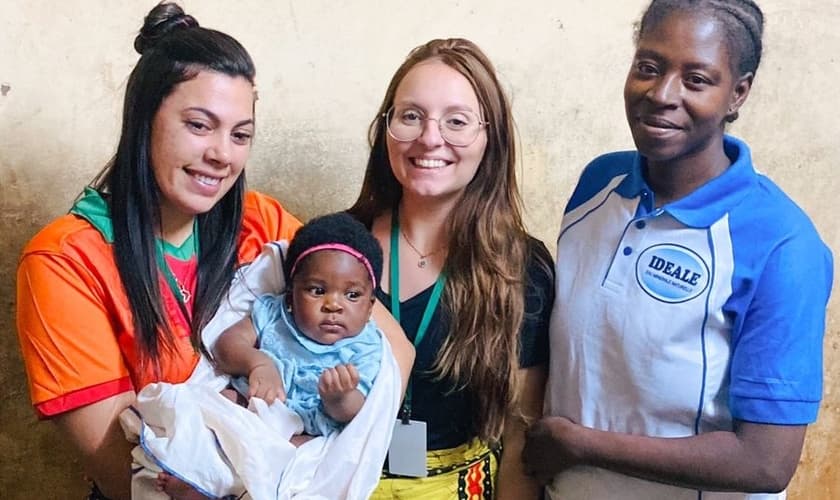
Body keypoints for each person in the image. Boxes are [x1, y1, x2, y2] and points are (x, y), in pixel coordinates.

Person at [14, 4, 412, 500]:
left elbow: (393, 347)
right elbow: (130, 473)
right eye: (199, 125)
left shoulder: (259, 222)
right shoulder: (65, 262)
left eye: (240, 134)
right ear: (144, 121)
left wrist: (333, 459)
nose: (223, 153)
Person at [523, 1, 833, 499]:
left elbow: (765, 462)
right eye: (649, 67)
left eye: (697, 79)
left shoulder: (781, 244)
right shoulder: (598, 184)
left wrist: (579, 445)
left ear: (738, 94)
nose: (662, 94)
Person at [348, 38, 555, 499]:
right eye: (411, 116)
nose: (430, 137)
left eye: (456, 121)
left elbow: (522, 432)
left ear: (490, 137)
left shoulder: (521, 269)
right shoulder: (338, 244)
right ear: (385, 128)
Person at [217, 211, 386, 438]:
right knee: (221, 401)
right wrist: (258, 363)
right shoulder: (273, 314)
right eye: (318, 291)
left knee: (310, 454)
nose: (334, 305)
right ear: (290, 297)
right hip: (255, 406)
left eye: (353, 295)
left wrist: (339, 398)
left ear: (369, 308)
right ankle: (195, 466)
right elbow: (226, 345)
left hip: (306, 429)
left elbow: (356, 411)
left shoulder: (364, 346)